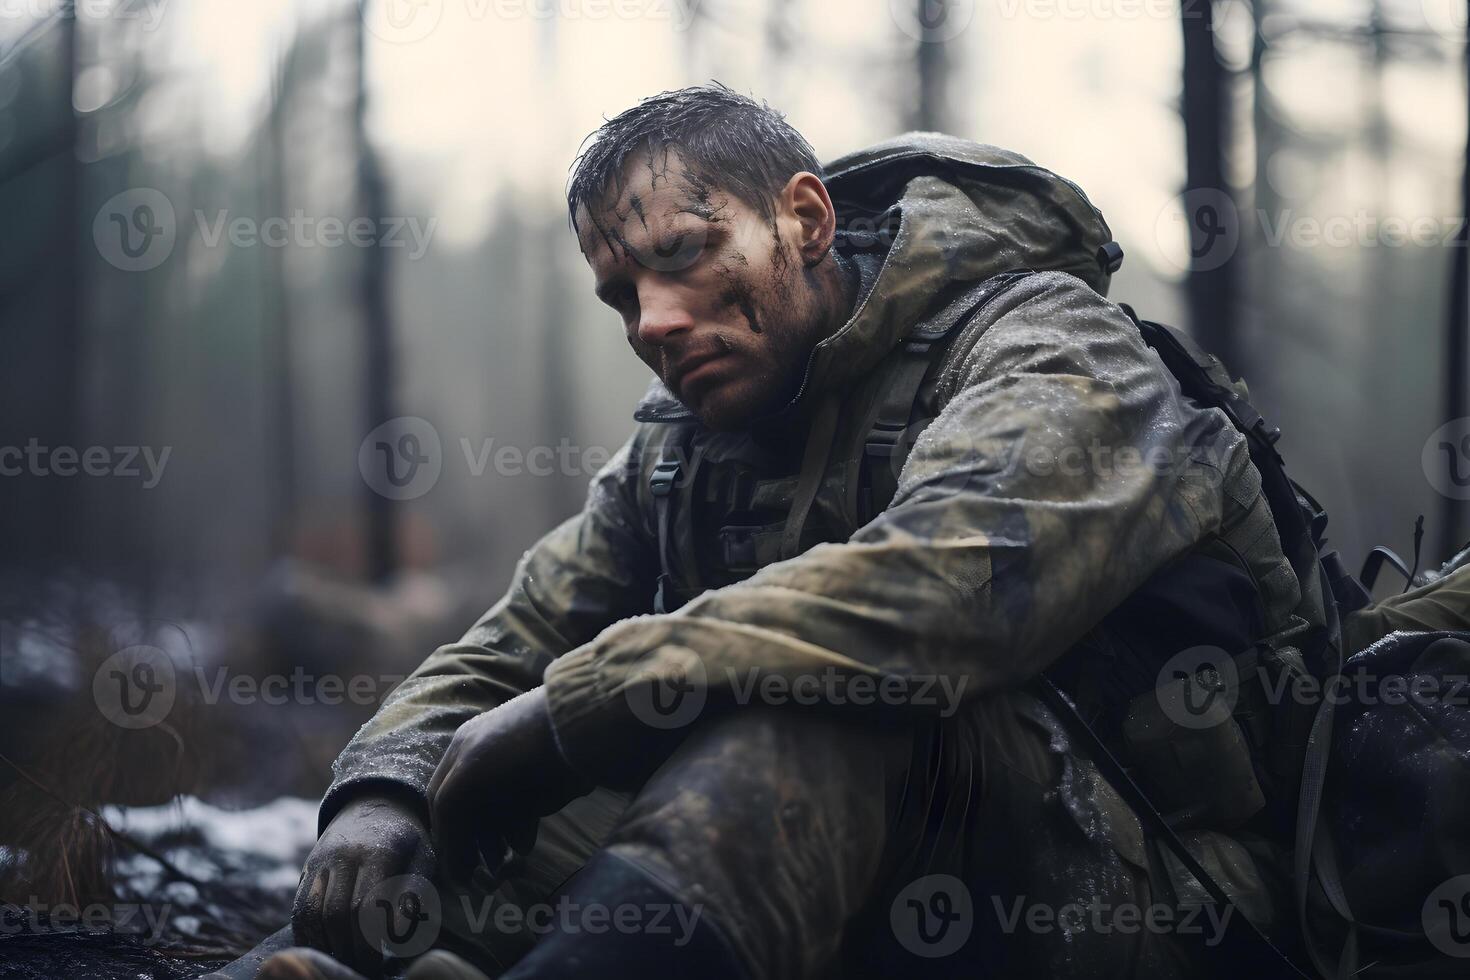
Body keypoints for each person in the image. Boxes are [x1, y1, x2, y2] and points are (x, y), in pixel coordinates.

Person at [237, 83, 1318, 980]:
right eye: (621, 295)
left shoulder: (1048, 344)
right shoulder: (691, 436)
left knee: (815, 712)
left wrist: (578, 706)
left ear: (804, 220)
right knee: (459, 838)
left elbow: (940, 596)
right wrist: (382, 787)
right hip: (863, 885)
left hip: (1161, 900)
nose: (652, 322)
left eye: (684, 255)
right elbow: (514, 634)